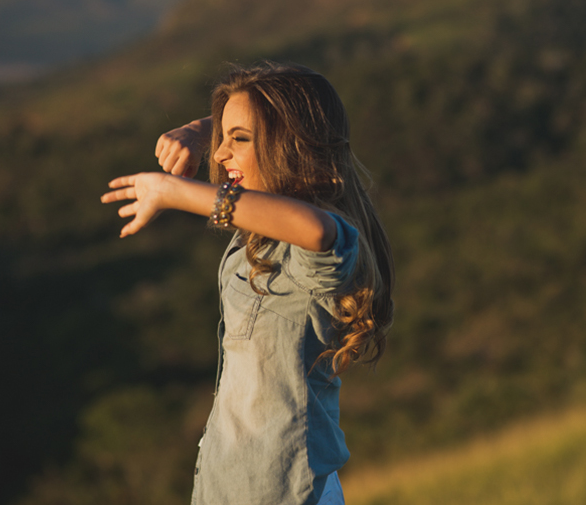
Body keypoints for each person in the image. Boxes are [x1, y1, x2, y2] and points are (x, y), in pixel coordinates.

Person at [101, 62, 395, 505]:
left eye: (238, 140)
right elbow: (285, 113)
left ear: (290, 146)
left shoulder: (311, 243)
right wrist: (204, 132)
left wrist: (174, 193)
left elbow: (317, 230)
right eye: (223, 139)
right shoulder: (263, 235)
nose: (220, 155)